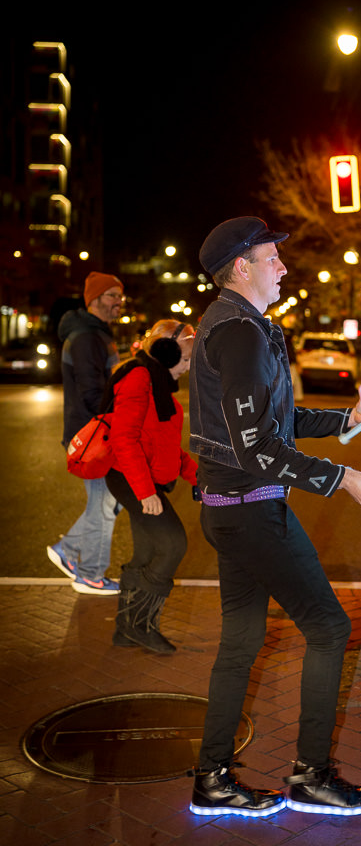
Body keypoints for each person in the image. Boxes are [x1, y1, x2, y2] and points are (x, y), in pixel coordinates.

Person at [188, 216, 361, 818]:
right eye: (271, 257)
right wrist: (345, 479)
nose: (283, 267)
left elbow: (269, 422)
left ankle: (212, 780)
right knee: (330, 629)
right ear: (242, 268)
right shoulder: (240, 333)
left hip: (231, 512)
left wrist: (347, 420)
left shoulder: (237, 326)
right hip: (252, 513)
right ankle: (312, 778)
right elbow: (258, 448)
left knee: (241, 643)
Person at [103, 319, 198, 654]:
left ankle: (126, 630)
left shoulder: (158, 384)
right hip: (130, 478)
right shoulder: (138, 377)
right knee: (172, 544)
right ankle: (140, 626)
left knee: (146, 552)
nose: (188, 367)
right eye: (185, 359)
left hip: (144, 478)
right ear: (166, 351)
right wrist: (145, 492)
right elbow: (123, 438)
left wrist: (198, 476)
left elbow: (164, 445)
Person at [47, 272, 125, 595]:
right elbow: (92, 391)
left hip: (96, 431)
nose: (119, 302)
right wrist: (115, 419)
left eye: (121, 296)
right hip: (93, 435)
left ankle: (69, 550)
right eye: (111, 296)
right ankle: (90, 573)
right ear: (93, 300)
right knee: (104, 503)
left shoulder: (96, 334)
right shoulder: (85, 337)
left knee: (108, 501)